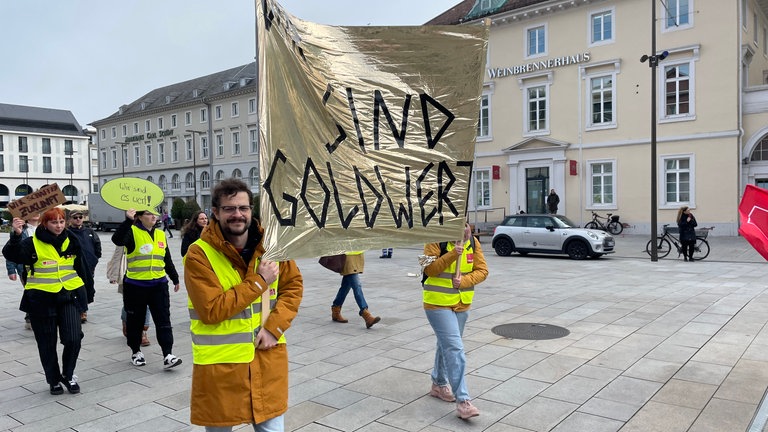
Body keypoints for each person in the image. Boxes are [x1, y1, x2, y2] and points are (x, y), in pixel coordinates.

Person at [184, 178, 303, 431]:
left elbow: (292, 288)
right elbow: (211, 310)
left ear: (251, 211)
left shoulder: (272, 247)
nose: (237, 214)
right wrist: (260, 282)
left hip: (266, 360)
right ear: (215, 212)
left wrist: (274, 327)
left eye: (243, 208)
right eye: (229, 209)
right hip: (221, 370)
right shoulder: (199, 253)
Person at [2, 208, 90, 395]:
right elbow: (12, 255)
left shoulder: (71, 239)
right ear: (45, 224)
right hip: (41, 299)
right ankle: (53, 379)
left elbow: (81, 266)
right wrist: (16, 235)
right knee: (47, 343)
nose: (58, 226)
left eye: (61, 222)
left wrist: (87, 294)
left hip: (69, 295)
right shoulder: (31, 242)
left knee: (74, 339)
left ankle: (68, 374)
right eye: (53, 222)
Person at [422, 222, 488, 419]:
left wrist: (465, 281)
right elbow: (429, 270)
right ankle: (463, 401)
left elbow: (483, 270)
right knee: (455, 348)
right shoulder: (434, 240)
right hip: (437, 303)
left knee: (446, 345)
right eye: (459, 225)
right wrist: (453, 254)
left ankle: (438, 384)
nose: (464, 229)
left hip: (462, 303)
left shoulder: (473, 243)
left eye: (466, 225)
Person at [112, 208, 182, 369]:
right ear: (140, 217)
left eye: (155, 214)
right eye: (149, 214)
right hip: (136, 286)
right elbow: (118, 240)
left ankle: (168, 354)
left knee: (163, 320)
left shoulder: (160, 234)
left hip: (158, 285)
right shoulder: (132, 231)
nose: (153, 217)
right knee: (135, 321)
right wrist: (128, 220)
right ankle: (136, 352)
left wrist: (175, 277)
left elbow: (166, 258)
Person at [106, 247, 152, 346]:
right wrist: (114, 276)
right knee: (130, 302)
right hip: (128, 275)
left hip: (147, 274)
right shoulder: (126, 233)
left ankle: (143, 331)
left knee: (145, 302)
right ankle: (125, 319)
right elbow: (117, 256)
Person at [5, 213, 40, 330]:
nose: (36, 213)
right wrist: (11, 270)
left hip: (44, 267)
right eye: (33, 211)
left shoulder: (45, 228)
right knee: (31, 292)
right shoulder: (19, 231)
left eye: (39, 210)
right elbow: (11, 251)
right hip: (25, 269)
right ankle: (31, 316)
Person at [67, 210, 102, 323]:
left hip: (89, 265)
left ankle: (84, 310)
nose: (78, 219)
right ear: (70, 219)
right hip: (74, 266)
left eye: (80, 217)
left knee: (87, 287)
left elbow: (97, 244)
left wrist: (95, 258)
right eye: (75, 217)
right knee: (75, 288)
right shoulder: (67, 233)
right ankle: (77, 309)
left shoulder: (89, 231)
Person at [331, 252, 380, 328]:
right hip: (348, 257)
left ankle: (336, 310)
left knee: (345, 286)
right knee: (356, 285)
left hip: (356, 255)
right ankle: (366, 314)